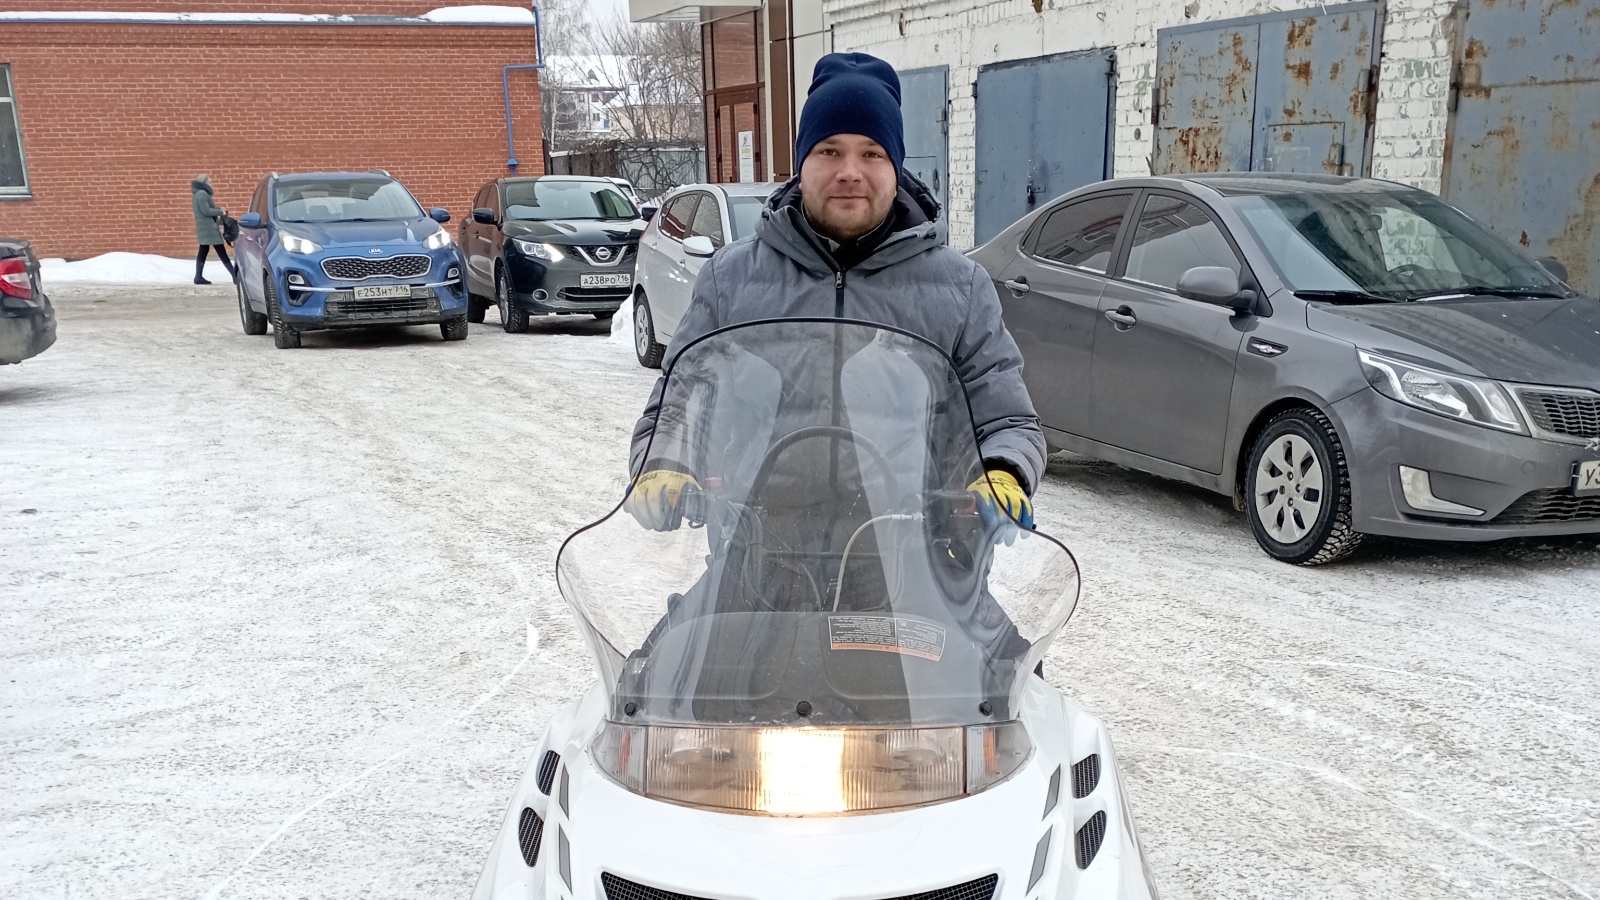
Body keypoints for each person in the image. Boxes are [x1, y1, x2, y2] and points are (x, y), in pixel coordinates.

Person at [625, 52, 1043, 539]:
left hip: (915, 559)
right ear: (802, 163)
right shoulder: (730, 280)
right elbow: (679, 404)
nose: (849, 171)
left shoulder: (959, 287)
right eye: (828, 151)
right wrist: (665, 464)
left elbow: (1006, 417)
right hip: (756, 557)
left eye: (872, 153)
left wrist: (1002, 469)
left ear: (896, 167)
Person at [191, 174, 236, 285]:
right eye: (209, 182)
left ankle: (198, 276)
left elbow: (207, 209)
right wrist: (220, 212)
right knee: (221, 251)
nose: (211, 184)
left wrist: (219, 209)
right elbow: (206, 211)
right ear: (204, 182)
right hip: (209, 228)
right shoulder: (202, 194)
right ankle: (235, 276)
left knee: (203, 251)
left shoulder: (198, 193)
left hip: (205, 228)